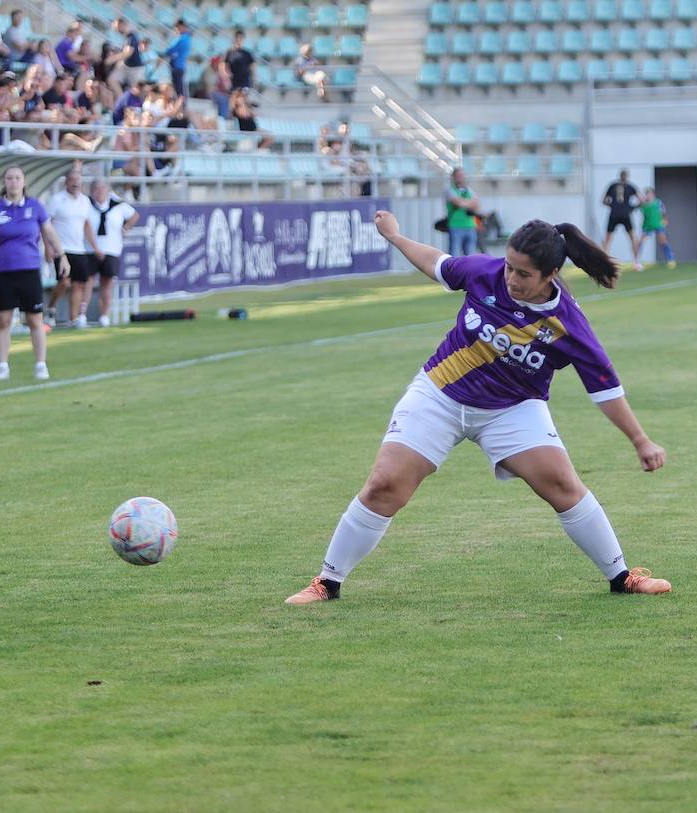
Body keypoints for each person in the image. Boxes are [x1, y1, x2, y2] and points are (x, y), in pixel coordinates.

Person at [285, 212, 672, 606]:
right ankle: (327, 583)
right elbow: (435, 261)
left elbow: (606, 389)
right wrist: (396, 237)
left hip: (513, 408)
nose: (511, 279)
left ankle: (621, 576)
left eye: (523, 274)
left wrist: (640, 441)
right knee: (385, 485)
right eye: (509, 267)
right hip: (440, 395)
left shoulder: (568, 324)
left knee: (563, 487)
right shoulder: (484, 273)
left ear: (551, 274)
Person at [0, 166, 69, 381]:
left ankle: (41, 364)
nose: (13, 182)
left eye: (17, 178)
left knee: (35, 319)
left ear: (24, 182)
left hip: (29, 270)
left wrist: (62, 255)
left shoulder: (35, 207)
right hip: (3, 272)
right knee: (3, 320)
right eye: (9, 178)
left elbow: (49, 232)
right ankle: (2, 365)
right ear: (4, 182)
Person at [44, 169, 95, 327]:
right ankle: (51, 307)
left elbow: (86, 225)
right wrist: (48, 247)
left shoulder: (85, 201)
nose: (75, 183)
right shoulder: (57, 200)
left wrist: (94, 246)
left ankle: (74, 319)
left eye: (78, 180)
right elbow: (46, 225)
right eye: (72, 180)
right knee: (64, 282)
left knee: (79, 284)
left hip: (79, 249)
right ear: (66, 182)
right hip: (62, 249)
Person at [85, 178, 138, 327]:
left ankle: (104, 316)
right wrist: (95, 248)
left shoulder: (118, 205)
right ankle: (81, 315)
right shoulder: (86, 205)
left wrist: (126, 228)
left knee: (107, 283)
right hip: (90, 250)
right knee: (87, 282)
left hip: (112, 249)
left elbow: (134, 215)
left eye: (102, 189)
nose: (99, 192)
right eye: (96, 189)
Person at [602, 169, 642, 271]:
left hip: (614, 214)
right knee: (633, 238)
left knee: (607, 239)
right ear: (627, 176)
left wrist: (613, 206)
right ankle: (637, 263)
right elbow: (641, 200)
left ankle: (603, 262)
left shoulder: (612, 185)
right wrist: (631, 208)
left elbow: (603, 200)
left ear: (619, 176)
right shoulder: (630, 186)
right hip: (626, 215)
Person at [638, 187, 675, 269]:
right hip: (647, 226)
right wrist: (641, 201)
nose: (648, 195)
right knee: (641, 242)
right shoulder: (643, 204)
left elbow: (663, 213)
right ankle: (637, 261)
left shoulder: (658, 202)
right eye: (647, 194)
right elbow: (640, 208)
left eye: (650, 194)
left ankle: (670, 260)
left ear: (653, 194)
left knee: (663, 242)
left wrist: (665, 221)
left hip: (658, 225)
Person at [445, 167, 479, 257]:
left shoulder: (469, 190)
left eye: (462, 176)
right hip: (455, 226)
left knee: (471, 256)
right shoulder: (450, 190)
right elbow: (457, 203)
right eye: (458, 176)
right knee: (454, 255)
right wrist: (469, 203)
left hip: (470, 225)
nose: (460, 178)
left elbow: (476, 204)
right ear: (453, 177)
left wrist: (462, 202)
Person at [164, 19, 192, 99]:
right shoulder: (186, 38)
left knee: (178, 89)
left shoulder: (183, 38)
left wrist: (163, 54)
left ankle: (181, 106)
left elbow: (171, 50)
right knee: (178, 88)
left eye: (177, 28)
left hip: (177, 66)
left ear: (181, 27)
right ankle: (181, 105)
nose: (176, 30)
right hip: (179, 66)